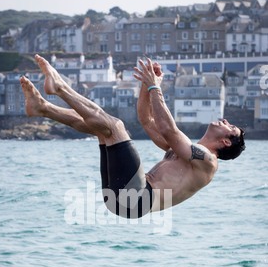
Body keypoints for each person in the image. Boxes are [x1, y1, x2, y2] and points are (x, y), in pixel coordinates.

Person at [20, 55, 245, 219]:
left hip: (137, 199)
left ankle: (59, 88)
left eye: (230, 127)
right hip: (121, 199)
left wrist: (155, 87)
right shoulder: (182, 150)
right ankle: (43, 108)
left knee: (115, 126)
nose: (225, 121)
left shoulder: (207, 163)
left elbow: (169, 129)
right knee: (104, 130)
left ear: (226, 142)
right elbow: (146, 120)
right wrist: (146, 86)